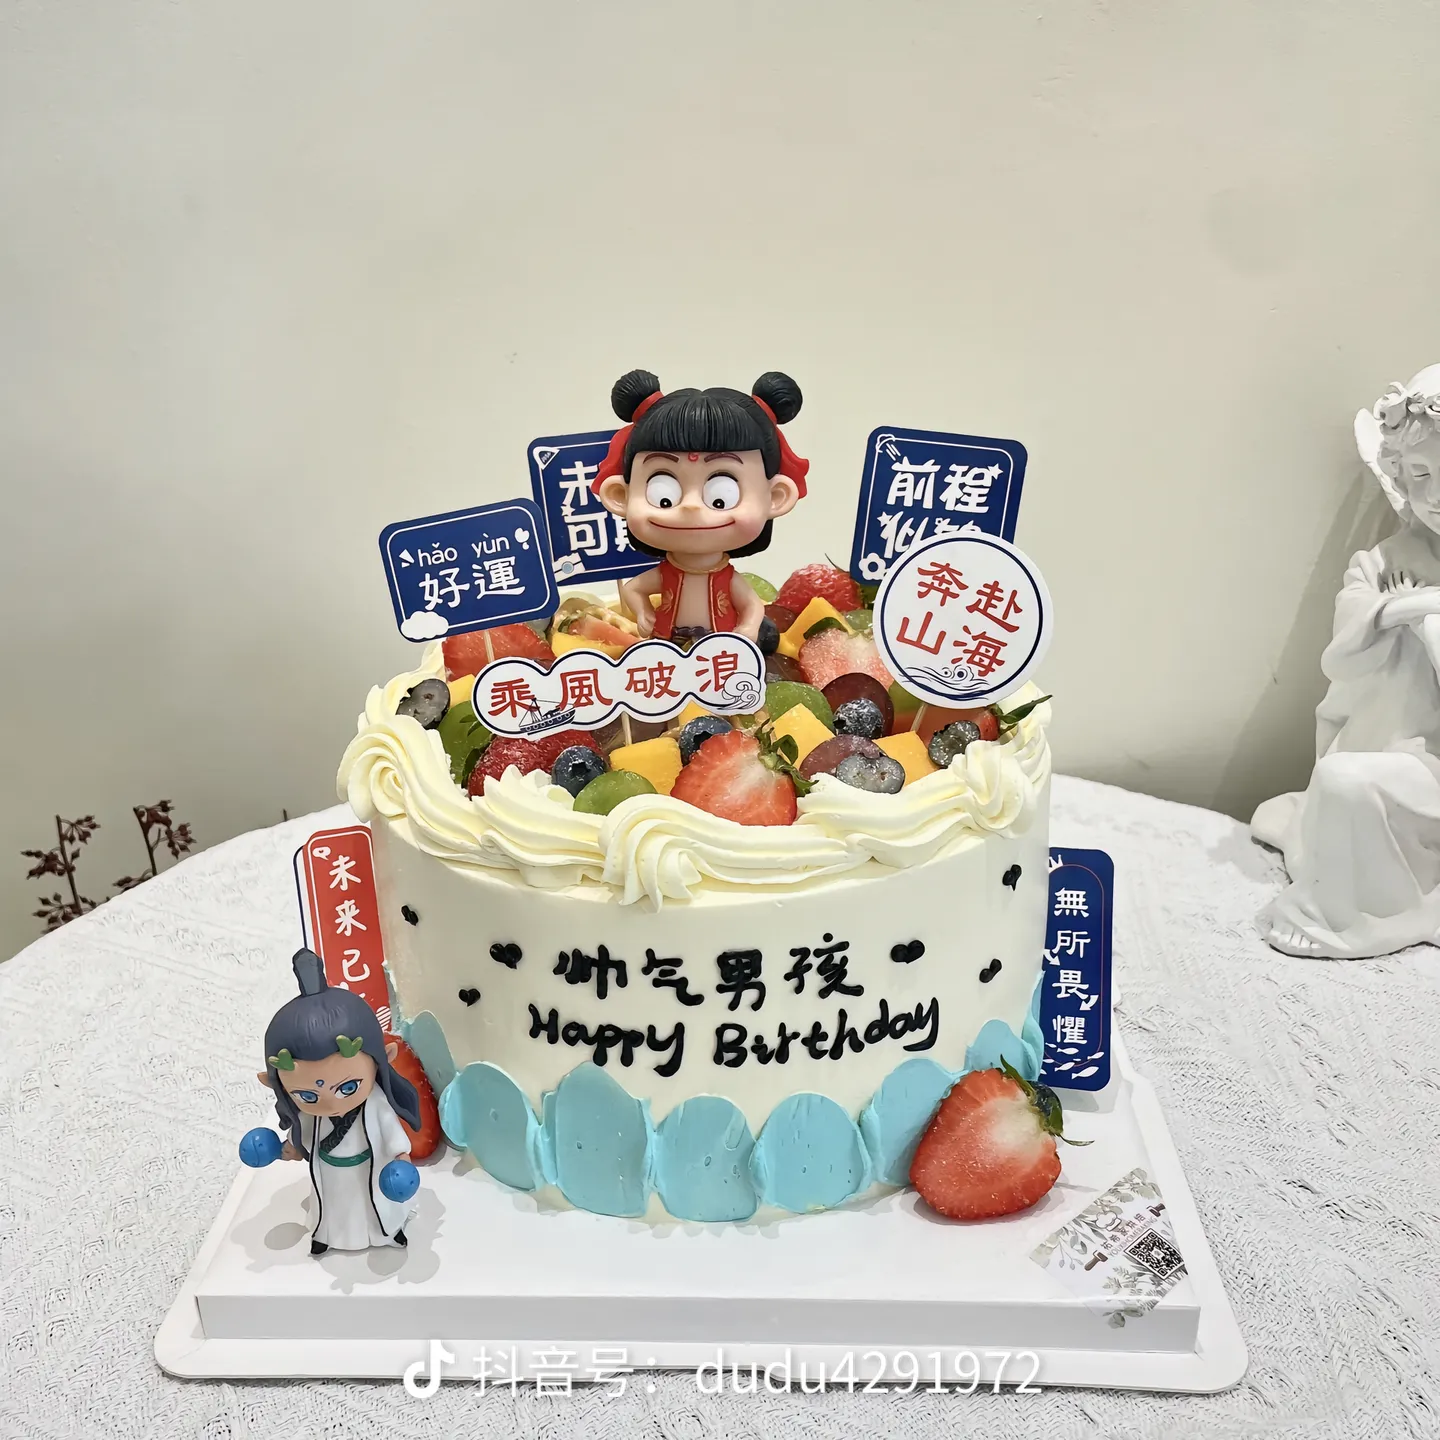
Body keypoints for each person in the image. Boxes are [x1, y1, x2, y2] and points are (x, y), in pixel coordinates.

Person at [1252, 368, 1440, 957]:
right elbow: (1348, 641)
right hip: (1389, 742)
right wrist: (1405, 608)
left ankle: (1343, 918)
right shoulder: (1384, 561)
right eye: (1420, 475)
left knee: (1343, 783)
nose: (1435, 495)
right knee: (1339, 780)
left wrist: (1420, 613)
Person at [593, 369, 808, 645]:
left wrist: (748, 628)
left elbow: (753, 606)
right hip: (668, 644)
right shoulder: (665, 574)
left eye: (721, 497)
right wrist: (644, 612)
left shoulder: (727, 579)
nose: (691, 507)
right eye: (663, 494)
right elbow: (633, 589)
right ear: (619, 495)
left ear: (776, 497)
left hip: (720, 649)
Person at [257, 949, 422, 1253]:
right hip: (330, 1173)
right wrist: (288, 1149)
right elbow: (302, 1139)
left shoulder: (375, 1104)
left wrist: (401, 1158)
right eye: (308, 1095)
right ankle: (328, 1236)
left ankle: (387, 1231)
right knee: (333, 1208)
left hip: (371, 1168)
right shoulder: (310, 1116)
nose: (331, 1103)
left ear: (382, 1060)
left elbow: (392, 1134)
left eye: (347, 1087)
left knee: (375, 1206)